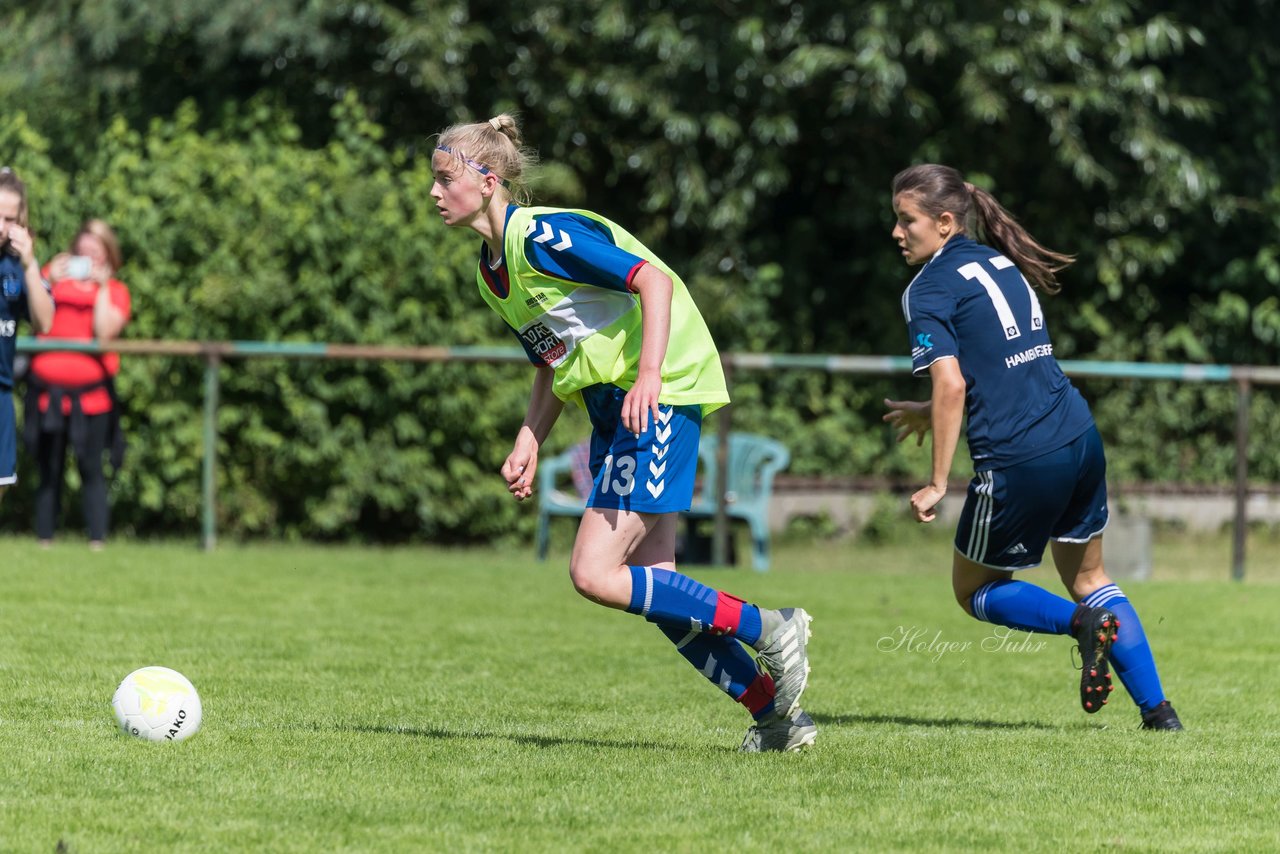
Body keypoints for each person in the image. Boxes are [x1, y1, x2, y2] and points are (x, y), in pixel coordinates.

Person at [429, 115, 816, 752]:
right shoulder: (490, 272)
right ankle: (776, 718)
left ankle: (771, 626)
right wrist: (530, 437)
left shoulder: (542, 237)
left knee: (593, 573)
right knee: (657, 586)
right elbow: (551, 358)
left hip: (656, 396)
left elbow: (652, 281)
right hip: (616, 410)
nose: (435, 193)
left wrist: (651, 376)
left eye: (446, 179)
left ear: (488, 180)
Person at [882, 163, 1182, 731]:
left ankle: (1080, 626)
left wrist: (939, 482)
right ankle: (1160, 714)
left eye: (907, 220)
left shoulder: (927, 289)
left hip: (1020, 456)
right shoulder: (998, 261)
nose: (897, 233)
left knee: (974, 589)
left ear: (945, 222)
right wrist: (931, 413)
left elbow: (952, 382)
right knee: (1092, 580)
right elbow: (997, 364)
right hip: (1076, 436)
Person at [25, 219, 130, 550]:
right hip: (46, 395)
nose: (87, 258)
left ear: (108, 255)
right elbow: (29, 314)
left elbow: (104, 333)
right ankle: (45, 540)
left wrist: (100, 289)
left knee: (91, 468)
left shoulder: (115, 292)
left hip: (93, 399)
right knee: (49, 469)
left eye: (94, 252)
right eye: (81, 251)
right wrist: (45, 279)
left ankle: (96, 541)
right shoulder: (51, 279)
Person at [0, 167, 56, 507]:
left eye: (9, 219)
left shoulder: (16, 266)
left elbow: (45, 322)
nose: (1, 227)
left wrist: (31, 264)